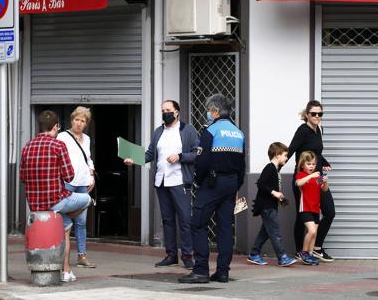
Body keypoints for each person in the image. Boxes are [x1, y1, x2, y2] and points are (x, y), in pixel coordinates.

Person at [124, 100, 199, 269]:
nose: (165, 113)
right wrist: (133, 159)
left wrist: (180, 157)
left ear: (177, 112)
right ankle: (171, 254)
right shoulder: (158, 131)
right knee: (167, 220)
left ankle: (187, 256)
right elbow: (150, 153)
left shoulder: (188, 130)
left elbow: (197, 153)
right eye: (163, 110)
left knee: (185, 220)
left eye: (168, 110)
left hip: (180, 181)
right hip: (162, 181)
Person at [179, 93, 245, 284]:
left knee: (198, 224)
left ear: (215, 111)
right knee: (225, 227)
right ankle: (223, 272)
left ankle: (200, 270)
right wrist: (237, 184)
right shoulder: (238, 132)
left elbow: (202, 161)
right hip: (231, 183)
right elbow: (242, 164)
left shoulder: (211, 131)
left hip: (212, 183)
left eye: (208, 110)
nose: (207, 113)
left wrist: (199, 181)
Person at [20, 110, 92, 283]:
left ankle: (66, 272)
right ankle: (65, 270)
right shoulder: (58, 145)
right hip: (56, 201)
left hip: (35, 204)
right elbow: (69, 176)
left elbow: (22, 178)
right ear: (55, 127)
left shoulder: (27, 146)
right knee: (87, 200)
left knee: (66, 227)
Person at [287, 100, 335, 263]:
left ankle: (316, 248)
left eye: (320, 114)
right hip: (304, 179)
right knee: (303, 215)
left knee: (329, 211)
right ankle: (300, 251)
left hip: (318, 177)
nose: (317, 116)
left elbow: (316, 152)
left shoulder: (318, 130)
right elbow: (291, 149)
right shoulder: (302, 131)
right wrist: (275, 169)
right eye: (313, 113)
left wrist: (324, 162)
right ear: (307, 115)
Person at [57, 106, 97, 269]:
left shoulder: (86, 139)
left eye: (83, 121)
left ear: (86, 123)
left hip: (83, 182)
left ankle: (82, 255)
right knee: (64, 218)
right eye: (77, 120)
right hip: (68, 182)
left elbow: (88, 159)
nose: (79, 123)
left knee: (81, 221)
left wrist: (92, 176)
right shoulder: (62, 136)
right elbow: (57, 158)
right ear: (71, 120)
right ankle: (61, 255)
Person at [247, 142, 297, 267]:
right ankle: (282, 257)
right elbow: (261, 183)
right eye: (285, 155)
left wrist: (280, 197)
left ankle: (254, 253)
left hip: (270, 205)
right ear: (277, 155)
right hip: (267, 206)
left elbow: (269, 186)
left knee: (265, 232)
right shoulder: (269, 168)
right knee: (275, 232)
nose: (286, 158)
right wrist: (274, 192)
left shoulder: (275, 169)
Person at [295, 151, 329, 266]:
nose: (312, 166)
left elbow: (324, 189)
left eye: (313, 164)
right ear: (302, 165)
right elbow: (299, 183)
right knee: (312, 231)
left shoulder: (317, 177)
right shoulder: (301, 175)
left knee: (314, 234)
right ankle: (303, 253)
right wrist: (311, 175)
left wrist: (325, 178)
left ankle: (310, 254)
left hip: (315, 209)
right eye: (309, 164)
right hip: (305, 208)